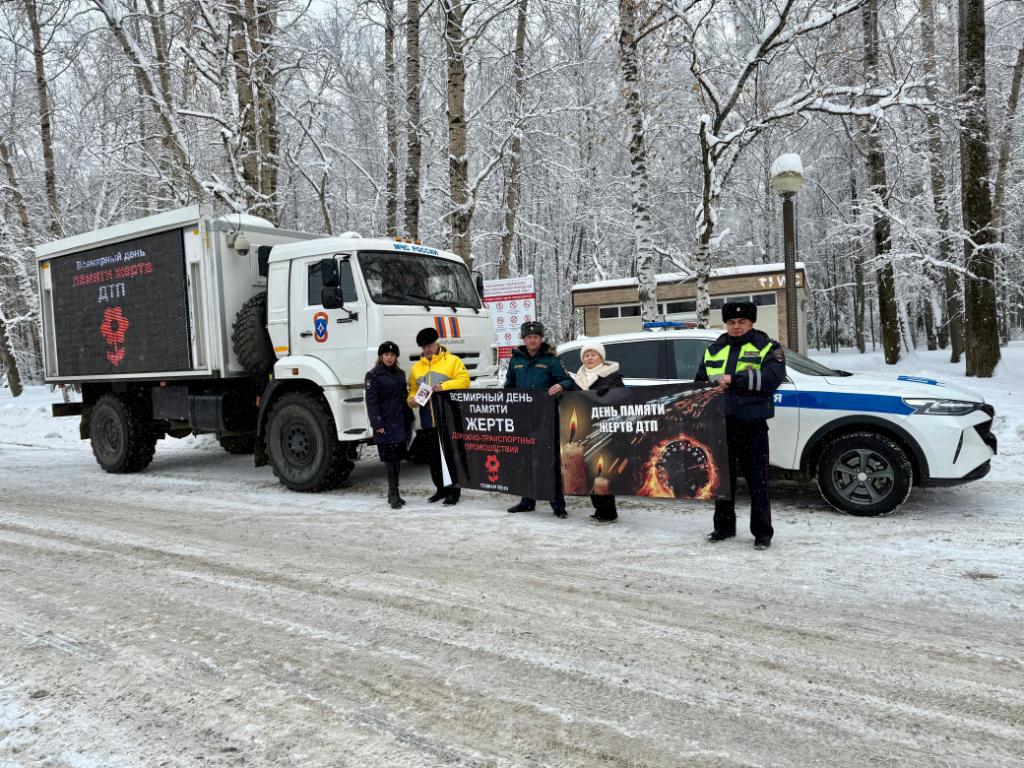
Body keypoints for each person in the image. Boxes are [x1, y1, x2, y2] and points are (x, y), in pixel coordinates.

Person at [694, 300, 786, 550]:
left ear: (751, 322)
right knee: (722, 481)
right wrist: (711, 386)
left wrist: (735, 379)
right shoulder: (714, 349)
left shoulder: (768, 347)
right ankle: (724, 527)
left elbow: (772, 379)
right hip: (721, 425)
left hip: (752, 425)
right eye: (731, 322)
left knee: (758, 480)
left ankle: (762, 533)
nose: (736, 326)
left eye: (741, 322)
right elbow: (699, 383)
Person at [504, 321, 575, 518]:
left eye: (536, 337)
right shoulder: (515, 361)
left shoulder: (551, 360)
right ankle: (527, 501)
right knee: (525, 461)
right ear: (523, 339)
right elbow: (509, 385)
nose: (532, 340)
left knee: (549, 462)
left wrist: (562, 385)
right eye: (529, 337)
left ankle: (557, 504)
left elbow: (568, 380)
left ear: (541, 338)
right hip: (524, 418)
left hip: (547, 419)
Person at [407, 326, 470, 505]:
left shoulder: (452, 361)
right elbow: (412, 390)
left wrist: (442, 387)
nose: (428, 349)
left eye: (430, 345)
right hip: (428, 421)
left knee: (449, 457)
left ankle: (453, 492)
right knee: (434, 459)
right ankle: (440, 489)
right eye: (424, 347)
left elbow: (464, 381)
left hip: (448, 419)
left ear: (436, 344)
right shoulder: (416, 368)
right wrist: (411, 400)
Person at [569, 340, 625, 524]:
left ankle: (608, 511)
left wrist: (607, 394)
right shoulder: (578, 378)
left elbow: (621, 398)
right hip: (585, 431)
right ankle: (598, 508)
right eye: (586, 355)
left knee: (602, 471)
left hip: (604, 431)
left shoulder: (612, 377)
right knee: (589, 471)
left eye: (593, 354)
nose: (589, 358)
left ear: (601, 357)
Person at [365, 341, 414, 509]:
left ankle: (394, 492)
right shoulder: (373, 375)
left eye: (392, 355)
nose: (389, 358)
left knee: (398, 458)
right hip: (385, 423)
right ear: (381, 356)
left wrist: (410, 417)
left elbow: (404, 396)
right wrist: (377, 423)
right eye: (386, 354)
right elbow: (371, 402)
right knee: (390, 459)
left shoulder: (400, 374)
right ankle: (393, 493)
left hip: (400, 422)